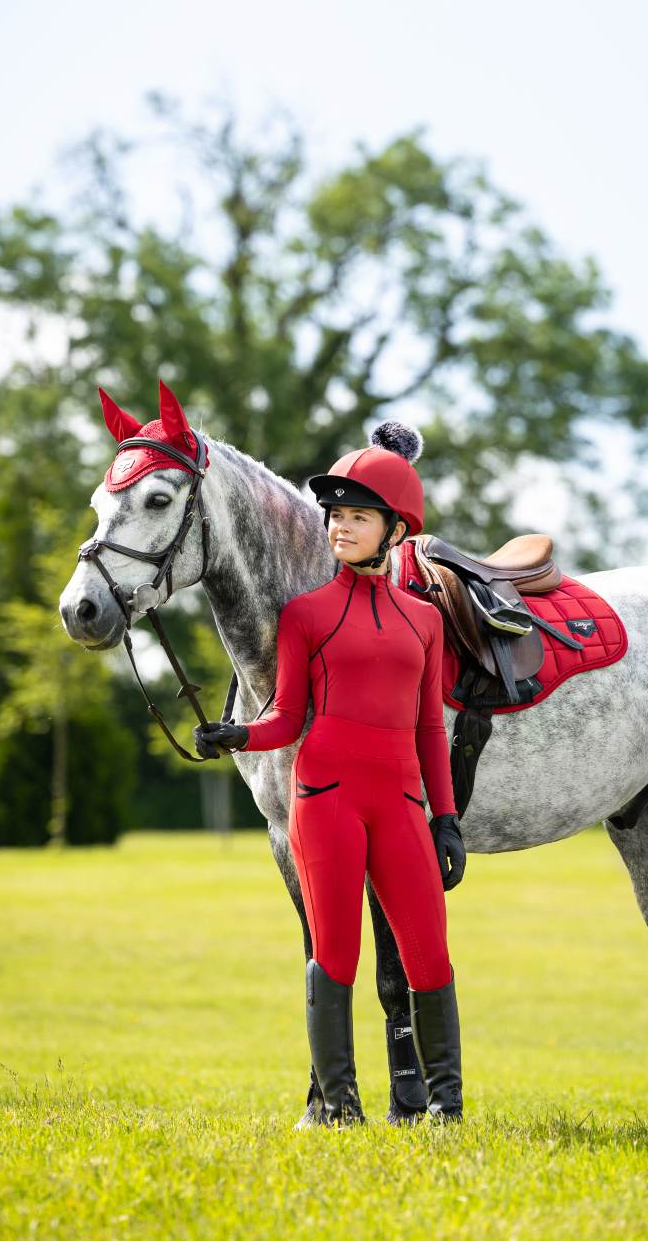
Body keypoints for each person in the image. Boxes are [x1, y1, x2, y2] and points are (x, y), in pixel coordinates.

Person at [193, 421, 467, 1127]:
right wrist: (238, 734)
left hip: (403, 803)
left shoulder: (425, 621)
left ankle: (446, 1106)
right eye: (335, 516)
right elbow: (286, 717)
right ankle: (337, 1104)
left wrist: (446, 819)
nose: (339, 529)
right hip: (326, 802)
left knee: (429, 954)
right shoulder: (305, 616)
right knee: (335, 951)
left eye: (357, 517)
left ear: (395, 529)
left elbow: (431, 730)